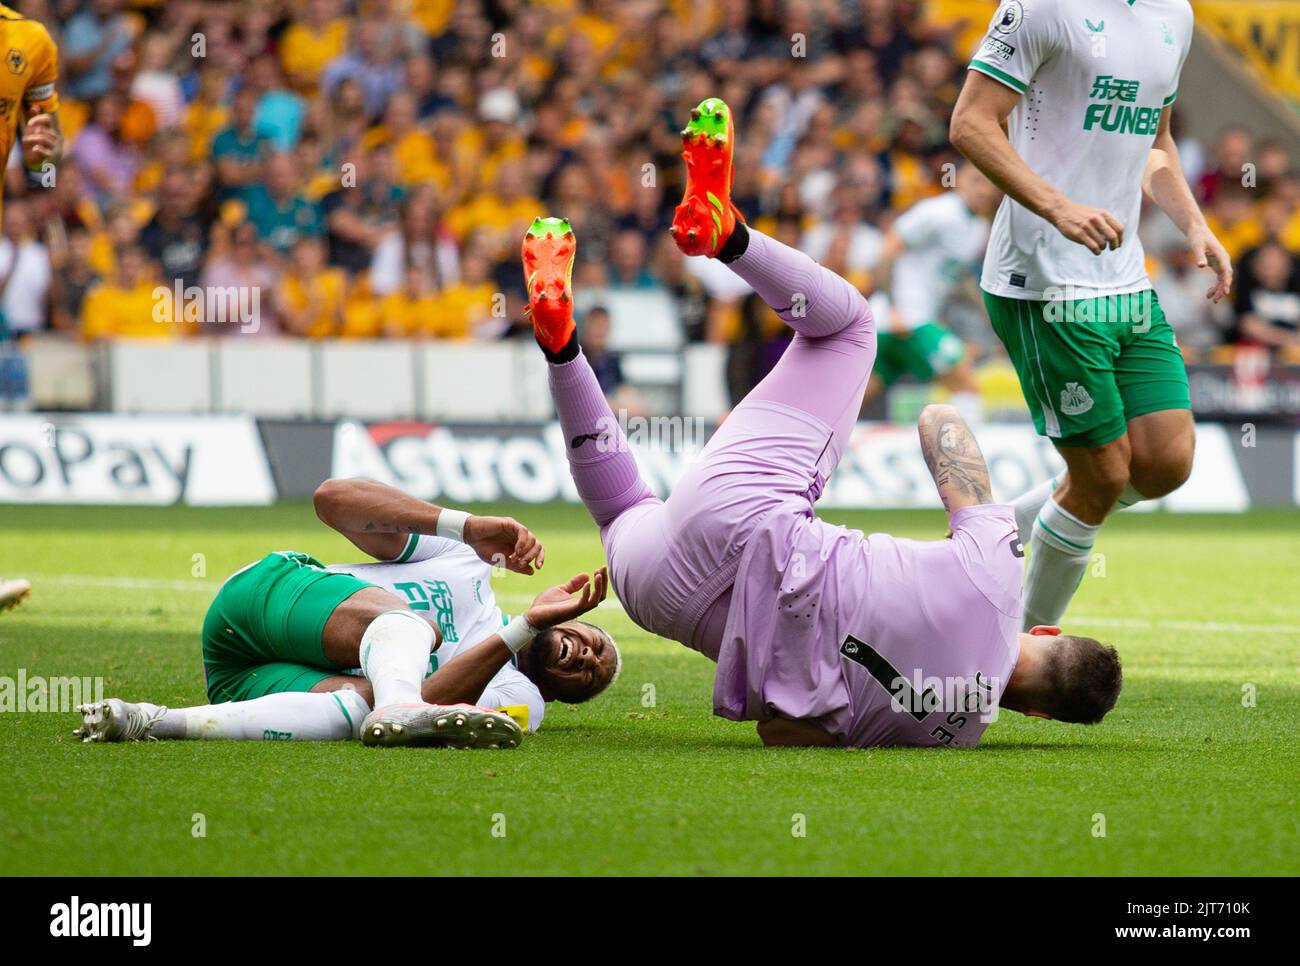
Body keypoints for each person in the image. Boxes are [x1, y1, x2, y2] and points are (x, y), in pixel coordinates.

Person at [517, 97, 1122, 749]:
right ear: (1038, 715)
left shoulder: (996, 571)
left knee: (850, 328)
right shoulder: (946, 733)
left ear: (1049, 633)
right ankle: (562, 350)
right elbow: (780, 731)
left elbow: (941, 423)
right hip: (667, 597)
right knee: (618, 511)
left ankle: (727, 234)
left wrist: (999, 520)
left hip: (751, 519)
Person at [949, 0, 1232, 629]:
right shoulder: (1042, 7)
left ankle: (1001, 530)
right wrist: (1056, 207)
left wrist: (1194, 222)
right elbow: (970, 123)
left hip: (1123, 275)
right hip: (1045, 281)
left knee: (1165, 463)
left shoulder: (1175, 16)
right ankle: (1021, 654)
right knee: (1102, 477)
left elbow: (1154, 143)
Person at [76, 482, 618, 748]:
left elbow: (434, 703)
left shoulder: (523, 702)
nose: (589, 657)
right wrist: (464, 526)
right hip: (260, 603)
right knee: (414, 629)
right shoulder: (463, 563)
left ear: (557, 696)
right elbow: (332, 499)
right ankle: (396, 707)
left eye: (591, 675)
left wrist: (524, 628)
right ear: (561, 601)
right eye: (595, 639)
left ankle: (152, 720)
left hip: (249, 684)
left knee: (369, 706)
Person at [864, 163, 1003, 422]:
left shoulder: (979, 228)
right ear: (958, 179)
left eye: (990, 183)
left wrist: (992, 318)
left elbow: (957, 279)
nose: (984, 190)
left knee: (863, 392)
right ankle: (969, 453)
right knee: (963, 376)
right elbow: (887, 249)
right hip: (904, 318)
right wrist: (894, 307)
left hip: (906, 321)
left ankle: (814, 446)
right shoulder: (938, 211)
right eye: (976, 181)